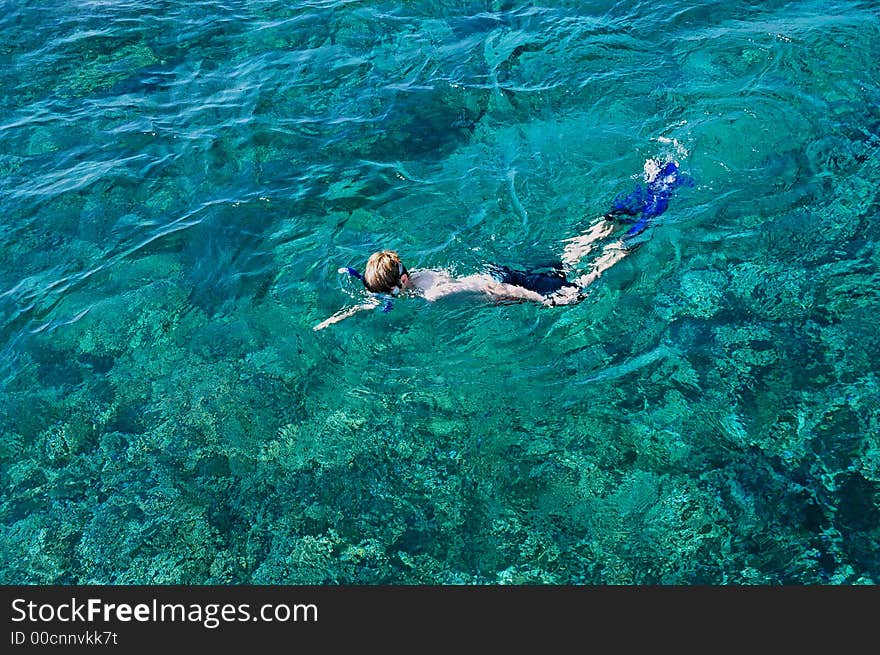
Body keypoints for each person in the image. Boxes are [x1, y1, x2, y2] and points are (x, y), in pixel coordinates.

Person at [313, 158, 685, 331]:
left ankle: (648, 215)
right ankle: (617, 211)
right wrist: (339, 316)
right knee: (570, 257)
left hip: (508, 285)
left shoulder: (435, 295)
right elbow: (375, 292)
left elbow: (490, 288)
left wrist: (544, 302)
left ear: (400, 284)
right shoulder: (411, 278)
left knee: (588, 277)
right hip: (502, 271)